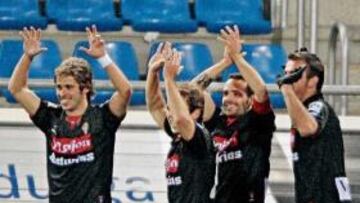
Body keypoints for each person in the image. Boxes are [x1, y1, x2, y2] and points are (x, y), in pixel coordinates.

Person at [8, 25, 132, 203]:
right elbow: (17, 89)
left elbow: (125, 91)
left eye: (68, 87)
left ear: (86, 88)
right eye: (59, 87)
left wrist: (103, 58)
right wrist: (27, 57)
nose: (61, 93)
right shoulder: (50, 117)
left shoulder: (103, 118)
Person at [192, 25, 276, 203]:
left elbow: (261, 91)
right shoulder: (217, 123)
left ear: (250, 100)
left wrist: (238, 57)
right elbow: (192, 91)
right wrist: (225, 63)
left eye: (237, 94)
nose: (229, 99)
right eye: (225, 93)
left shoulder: (258, 123)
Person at [277, 47, 352, 203]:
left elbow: (308, 128)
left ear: (313, 80)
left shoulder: (318, 106)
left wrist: (286, 89)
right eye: (287, 74)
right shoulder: (302, 110)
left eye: (295, 74)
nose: (288, 79)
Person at [145, 42, 215, 203]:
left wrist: (169, 79)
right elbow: (155, 105)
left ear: (196, 113)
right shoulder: (178, 136)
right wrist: (152, 72)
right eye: (170, 109)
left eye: (177, 108)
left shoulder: (200, 138)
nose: (171, 114)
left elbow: (181, 119)